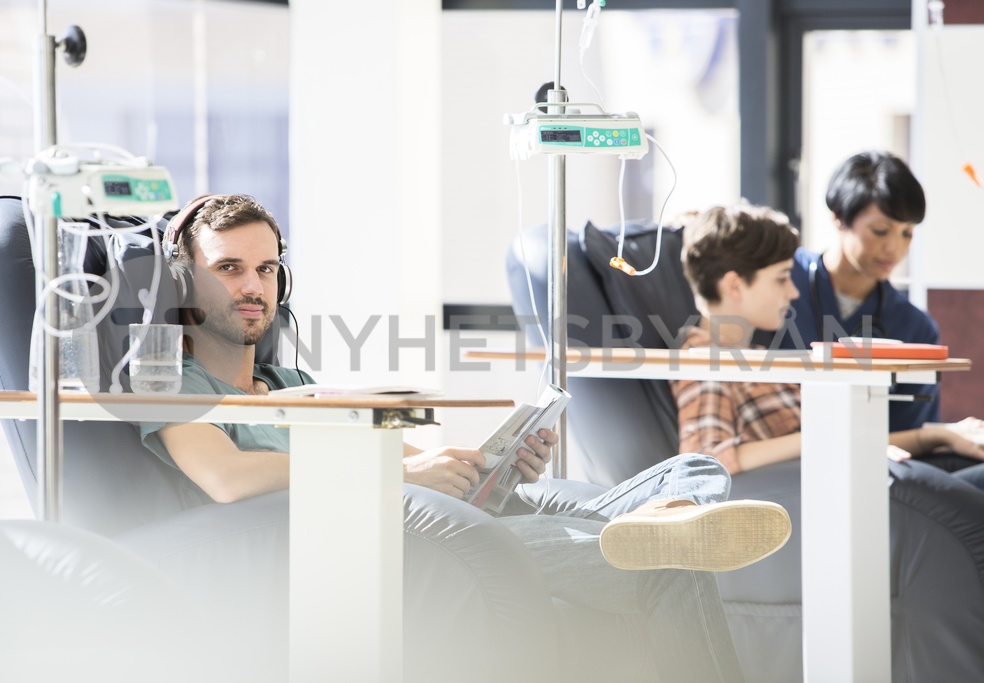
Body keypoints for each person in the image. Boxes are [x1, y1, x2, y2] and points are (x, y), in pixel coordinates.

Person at [138, 193, 792, 681]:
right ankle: (659, 531)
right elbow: (224, 478)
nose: (253, 286)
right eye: (229, 268)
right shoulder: (172, 379)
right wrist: (404, 478)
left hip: (431, 507)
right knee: (671, 564)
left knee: (698, 466)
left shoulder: (293, 378)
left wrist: (476, 461)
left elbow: (386, 450)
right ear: (184, 279)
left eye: (266, 268)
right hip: (389, 538)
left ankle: (670, 511)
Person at [670, 203, 984, 475]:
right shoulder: (706, 361)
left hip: (866, 472)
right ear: (734, 286)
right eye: (782, 278)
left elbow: (840, 438)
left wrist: (938, 435)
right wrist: (827, 439)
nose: (793, 292)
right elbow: (705, 460)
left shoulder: (752, 358)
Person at [778, 151, 939, 433]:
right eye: (880, 230)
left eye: (907, 233)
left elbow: (909, 438)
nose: (895, 249)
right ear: (839, 218)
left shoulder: (915, 329)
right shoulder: (779, 282)